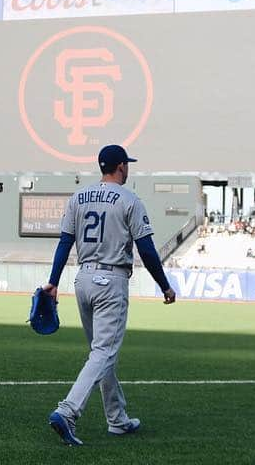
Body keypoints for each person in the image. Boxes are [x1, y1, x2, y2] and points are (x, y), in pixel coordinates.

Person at [43, 144, 176, 447]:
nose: (128, 168)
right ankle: (68, 411)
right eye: (126, 164)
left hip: (83, 279)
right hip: (111, 280)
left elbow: (65, 241)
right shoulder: (129, 199)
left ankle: (117, 420)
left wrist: (53, 282)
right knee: (103, 353)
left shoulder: (79, 197)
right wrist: (164, 285)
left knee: (102, 353)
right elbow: (146, 248)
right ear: (120, 167)